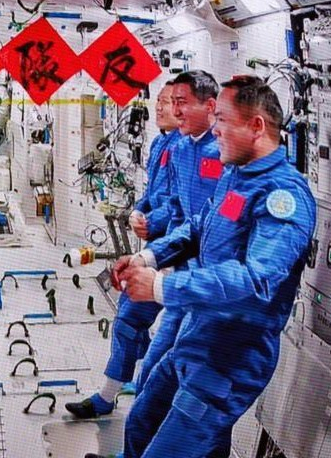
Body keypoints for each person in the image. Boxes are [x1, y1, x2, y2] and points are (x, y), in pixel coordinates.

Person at [116, 75, 316, 457]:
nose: (215, 129)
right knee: (141, 422)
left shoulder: (282, 195)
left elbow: (256, 279)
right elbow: (198, 226)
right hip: (197, 335)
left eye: (222, 119)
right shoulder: (236, 176)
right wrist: (148, 256)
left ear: (256, 126)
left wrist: (160, 287)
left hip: (233, 353)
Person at [67, 71, 222, 419]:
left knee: (174, 363)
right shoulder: (174, 148)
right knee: (131, 322)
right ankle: (113, 395)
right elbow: (167, 200)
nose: (166, 109)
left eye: (176, 102)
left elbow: (199, 219)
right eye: (166, 102)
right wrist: (140, 213)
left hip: (194, 270)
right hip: (168, 251)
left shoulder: (217, 156)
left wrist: (155, 230)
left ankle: (144, 404)